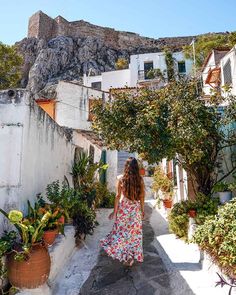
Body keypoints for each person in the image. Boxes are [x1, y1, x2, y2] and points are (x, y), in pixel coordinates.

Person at [100, 157, 145, 266]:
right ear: (136, 167)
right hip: (135, 210)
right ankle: (130, 256)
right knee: (133, 235)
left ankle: (125, 256)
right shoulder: (140, 180)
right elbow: (142, 197)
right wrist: (142, 210)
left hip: (123, 209)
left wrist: (114, 211)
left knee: (121, 233)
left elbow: (117, 196)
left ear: (126, 167)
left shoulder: (121, 179)